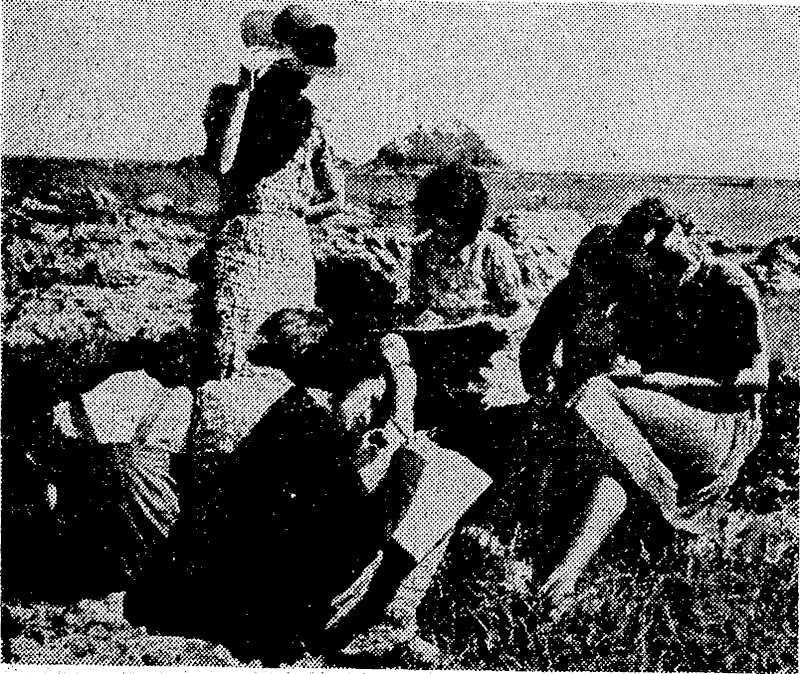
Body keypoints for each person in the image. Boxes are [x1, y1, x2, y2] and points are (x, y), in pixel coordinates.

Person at [127, 308, 491, 666]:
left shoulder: (304, 416)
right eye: (372, 402)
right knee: (447, 481)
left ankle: (386, 621)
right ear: (342, 383)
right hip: (259, 609)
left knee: (443, 479)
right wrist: (402, 444)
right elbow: (359, 537)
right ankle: (382, 625)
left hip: (250, 586)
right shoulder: (303, 421)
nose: (370, 421)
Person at [530, 198, 769, 620]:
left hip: (721, 428)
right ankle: (559, 581)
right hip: (655, 423)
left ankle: (667, 505)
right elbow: (551, 345)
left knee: (594, 398)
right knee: (604, 462)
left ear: (690, 234)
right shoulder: (651, 290)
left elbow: (755, 379)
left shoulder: (730, 286)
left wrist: (656, 380)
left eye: (670, 253)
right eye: (654, 259)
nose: (664, 266)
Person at [191, 5, 345, 382]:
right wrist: (294, 215)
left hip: (265, 244)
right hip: (275, 246)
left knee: (262, 365)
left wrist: (287, 216)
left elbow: (335, 197)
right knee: (244, 365)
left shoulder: (301, 113)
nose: (305, 78)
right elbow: (334, 198)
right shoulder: (250, 104)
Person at [399, 161, 533, 480]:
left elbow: (522, 311)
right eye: (434, 224)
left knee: (487, 432)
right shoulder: (423, 251)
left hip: (484, 365)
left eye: (449, 228)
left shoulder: (492, 251)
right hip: (438, 361)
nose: (440, 235)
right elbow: (419, 304)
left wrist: (497, 327)